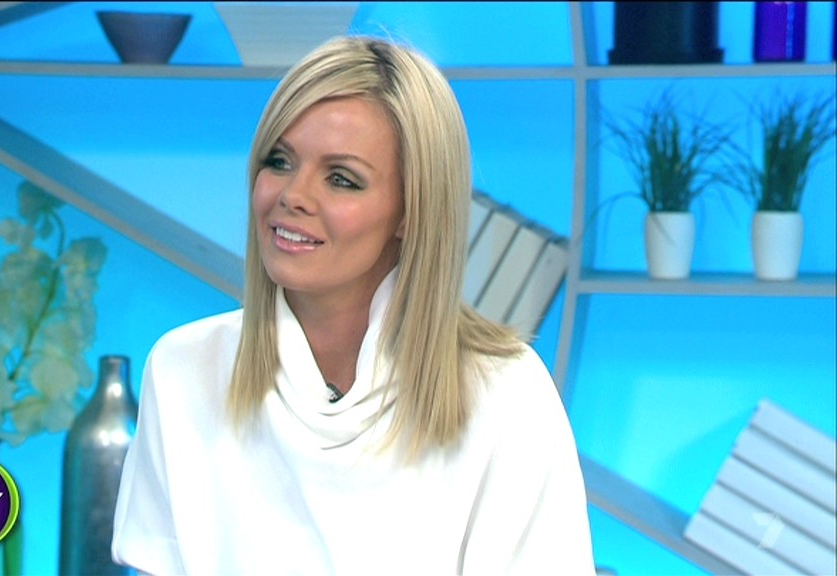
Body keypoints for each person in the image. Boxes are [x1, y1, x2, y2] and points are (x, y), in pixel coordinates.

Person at [112, 36, 594, 575]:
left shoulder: (503, 390)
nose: (293, 195)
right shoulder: (184, 368)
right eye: (279, 161)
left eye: (341, 179)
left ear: (411, 211)